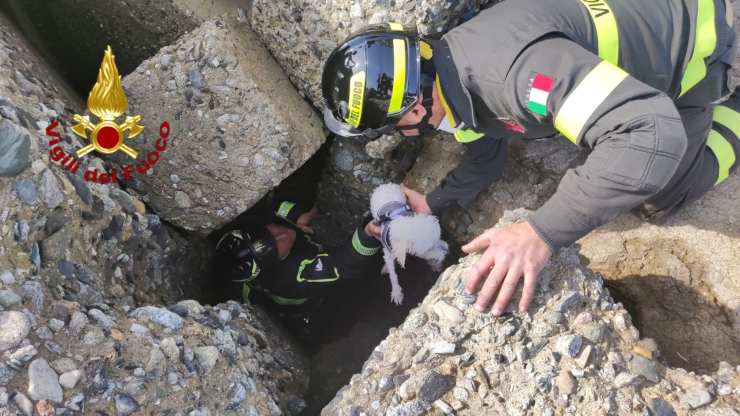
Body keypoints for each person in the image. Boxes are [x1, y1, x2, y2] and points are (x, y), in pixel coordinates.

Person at [320, 0, 740, 316]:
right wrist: (434, 202)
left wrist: (541, 232)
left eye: (391, 126)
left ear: (413, 110)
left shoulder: (511, 80)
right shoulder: (450, 76)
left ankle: (733, 102)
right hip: (644, 18)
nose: (398, 134)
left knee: (659, 192)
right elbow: (485, 156)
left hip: (695, 37)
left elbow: (650, 132)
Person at [212, 197, 383, 333]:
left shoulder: (253, 226)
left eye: (268, 232)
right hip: (314, 313)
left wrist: (295, 215)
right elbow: (343, 263)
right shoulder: (295, 276)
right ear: (274, 264)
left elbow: (273, 207)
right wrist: (369, 233)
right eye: (275, 248)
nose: (282, 235)